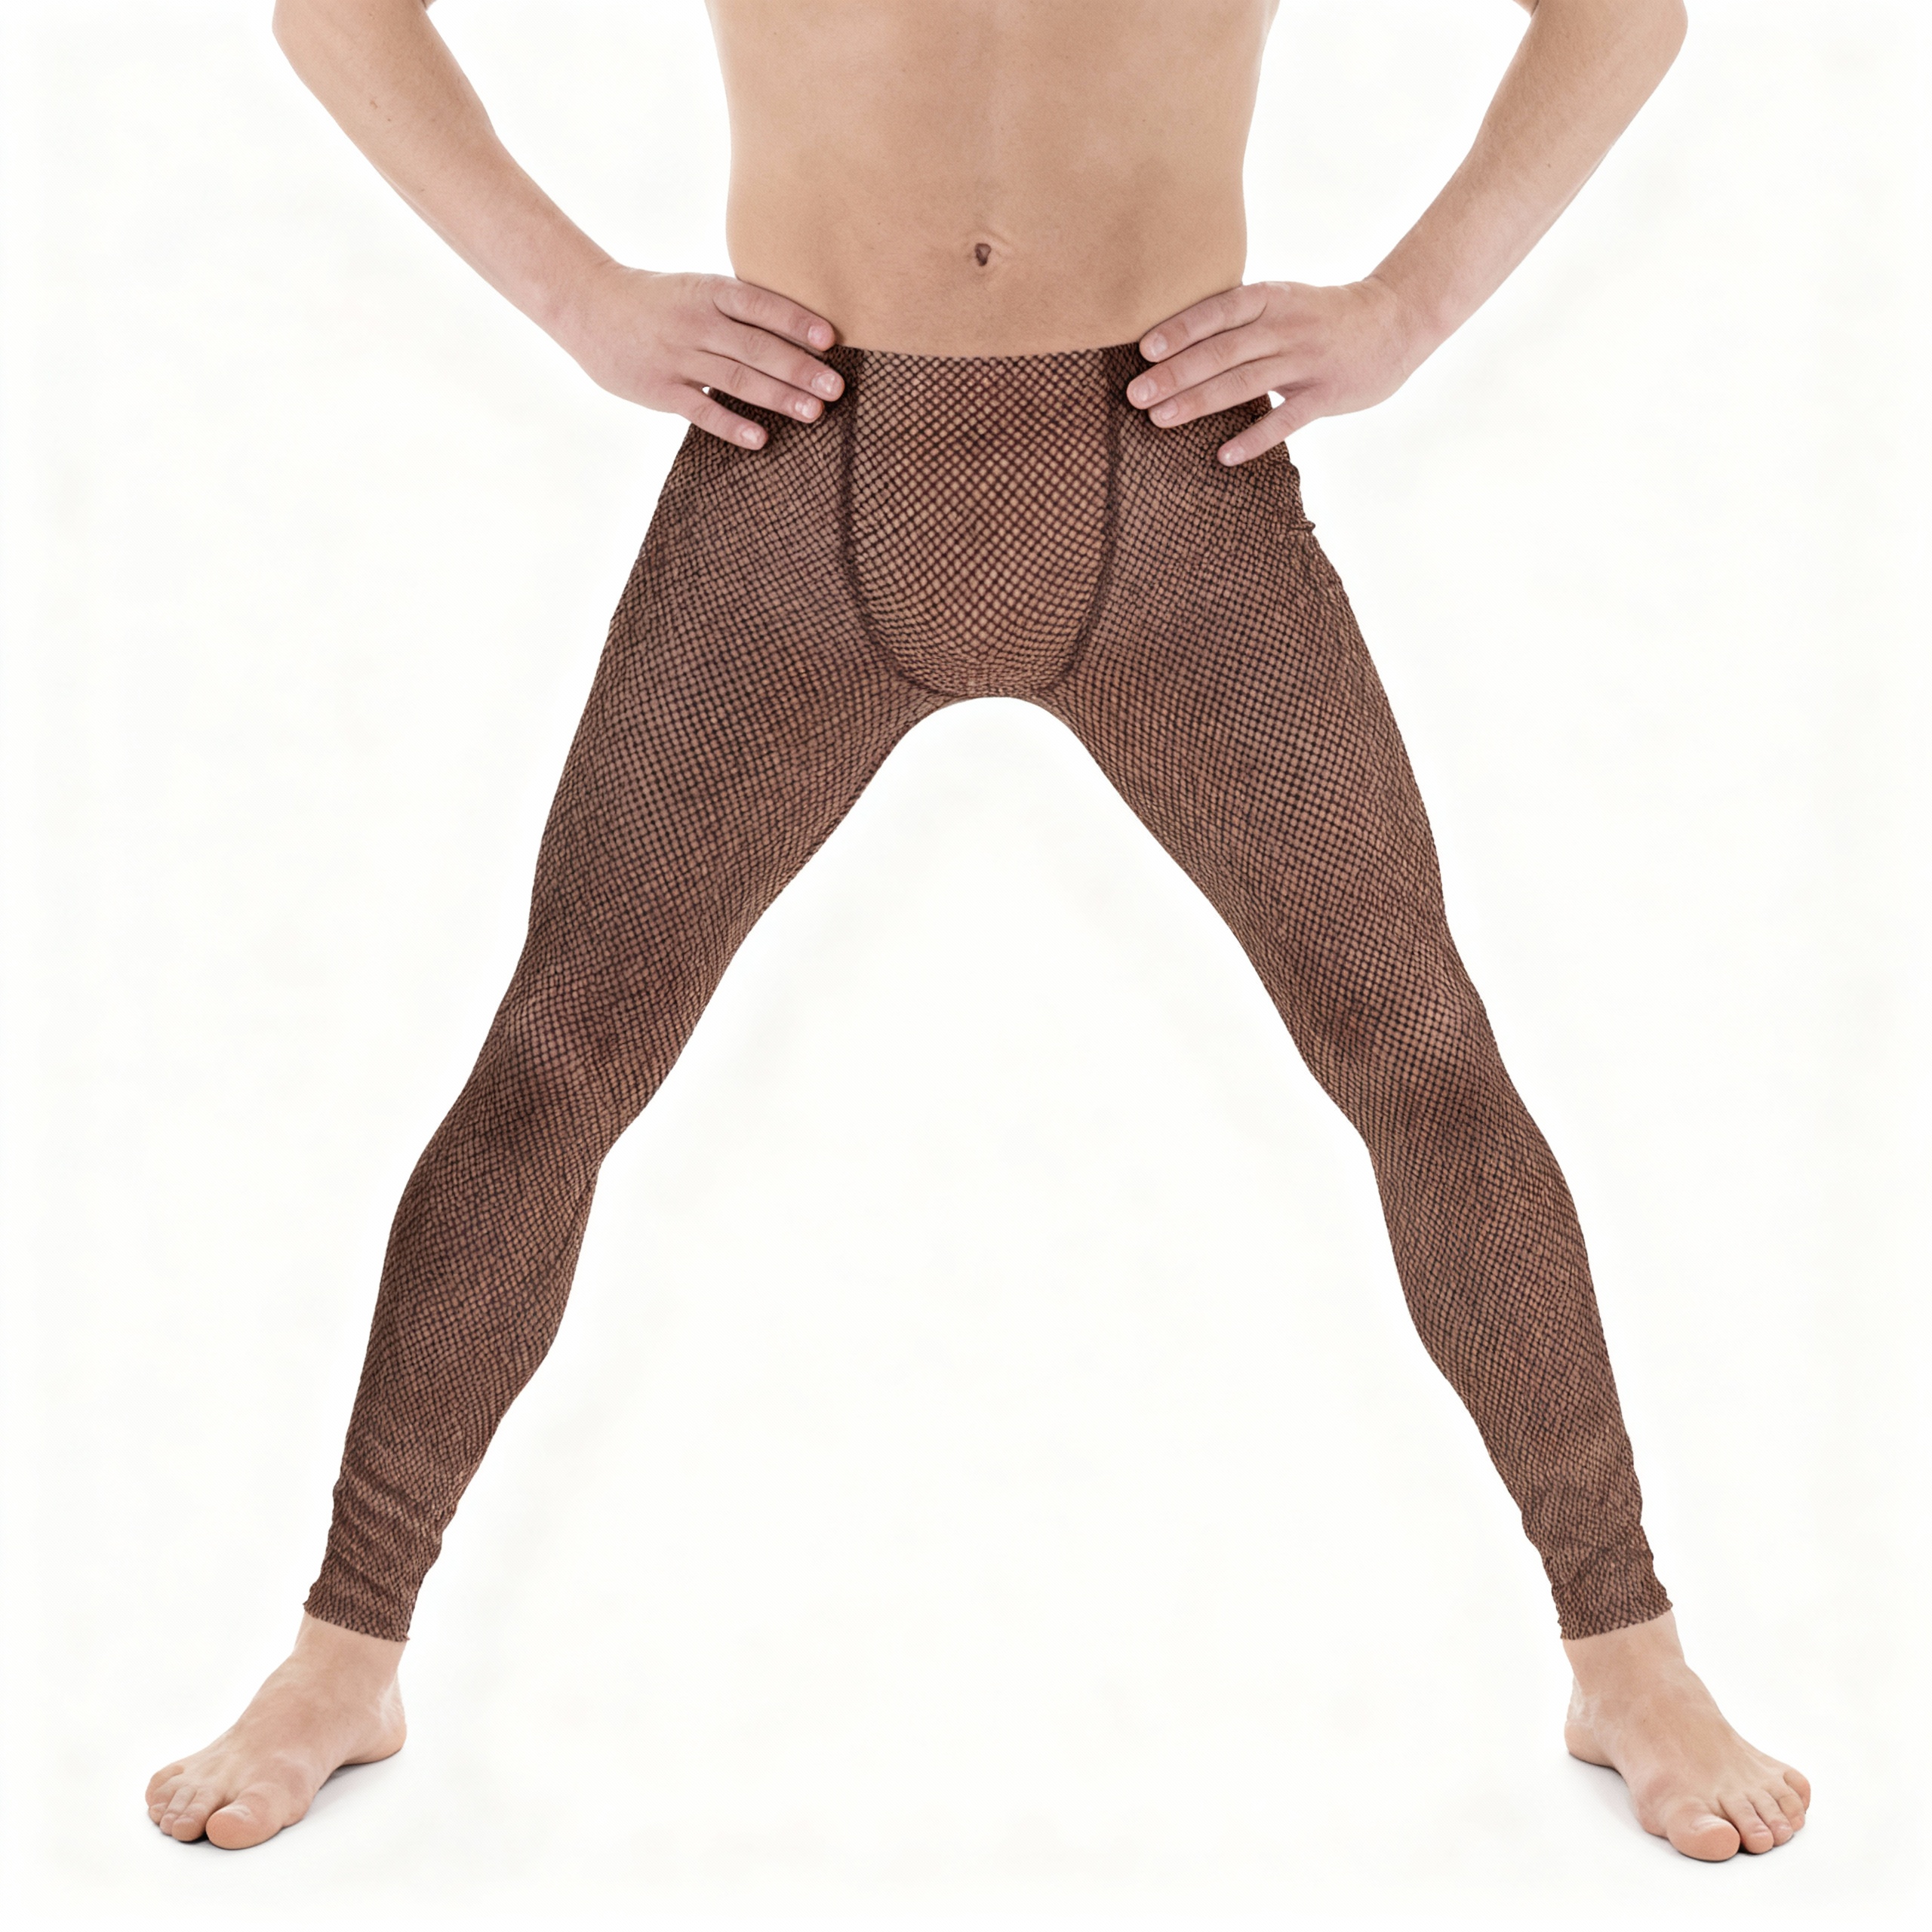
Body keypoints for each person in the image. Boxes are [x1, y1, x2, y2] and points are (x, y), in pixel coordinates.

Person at [145, 0, 1809, 1864]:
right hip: (793, 477)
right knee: (556, 1062)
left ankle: (1625, 1653)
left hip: (1179, 484)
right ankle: (343, 1652)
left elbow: (1620, 14)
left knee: (1418, 1053)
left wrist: (1409, 307)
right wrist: (576, 299)